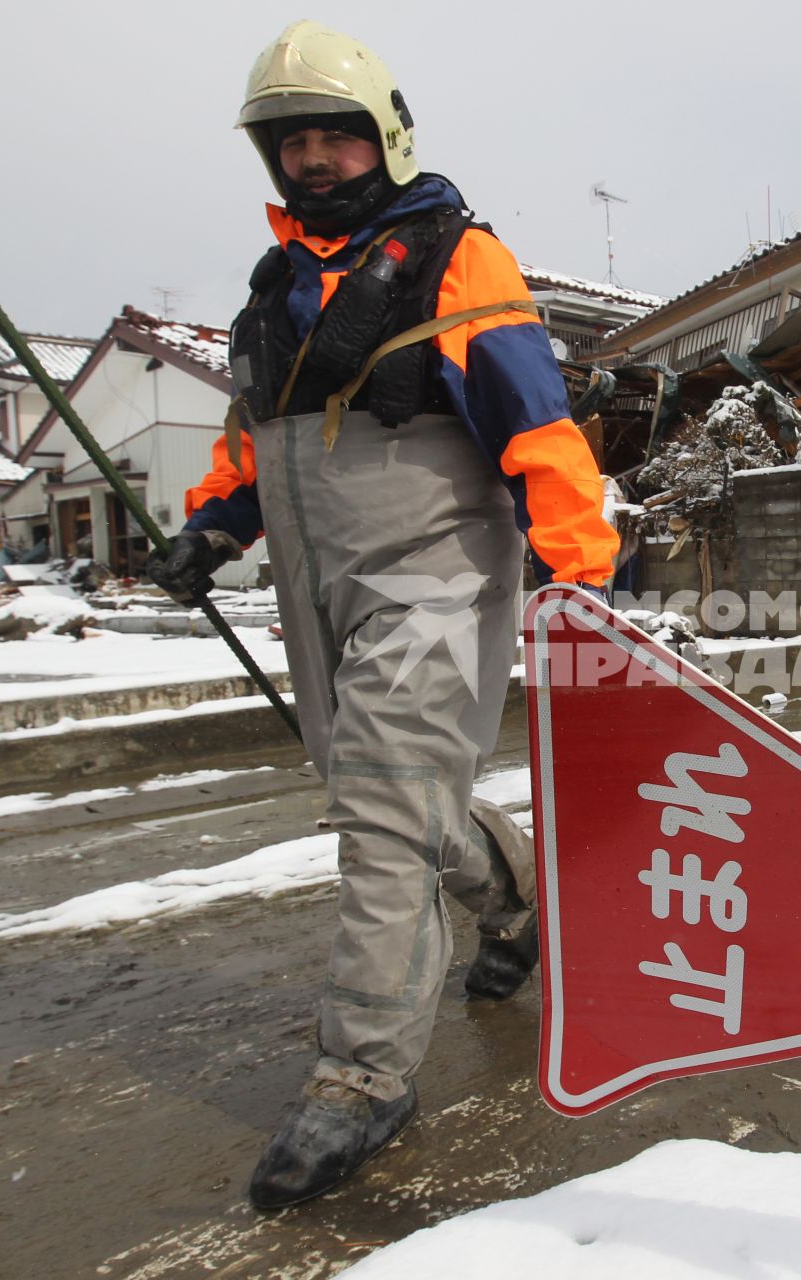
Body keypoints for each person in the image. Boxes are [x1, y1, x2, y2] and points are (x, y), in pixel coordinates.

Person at [145, 20, 617, 1210]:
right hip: (319, 582)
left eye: (335, 138)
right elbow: (251, 447)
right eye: (291, 141)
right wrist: (212, 526)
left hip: (435, 566)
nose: (314, 160)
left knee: (379, 809)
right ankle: (516, 906)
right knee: (389, 791)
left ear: (384, 139)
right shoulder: (275, 291)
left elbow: (535, 424)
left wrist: (577, 567)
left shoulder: (457, 258)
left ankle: (361, 1074)